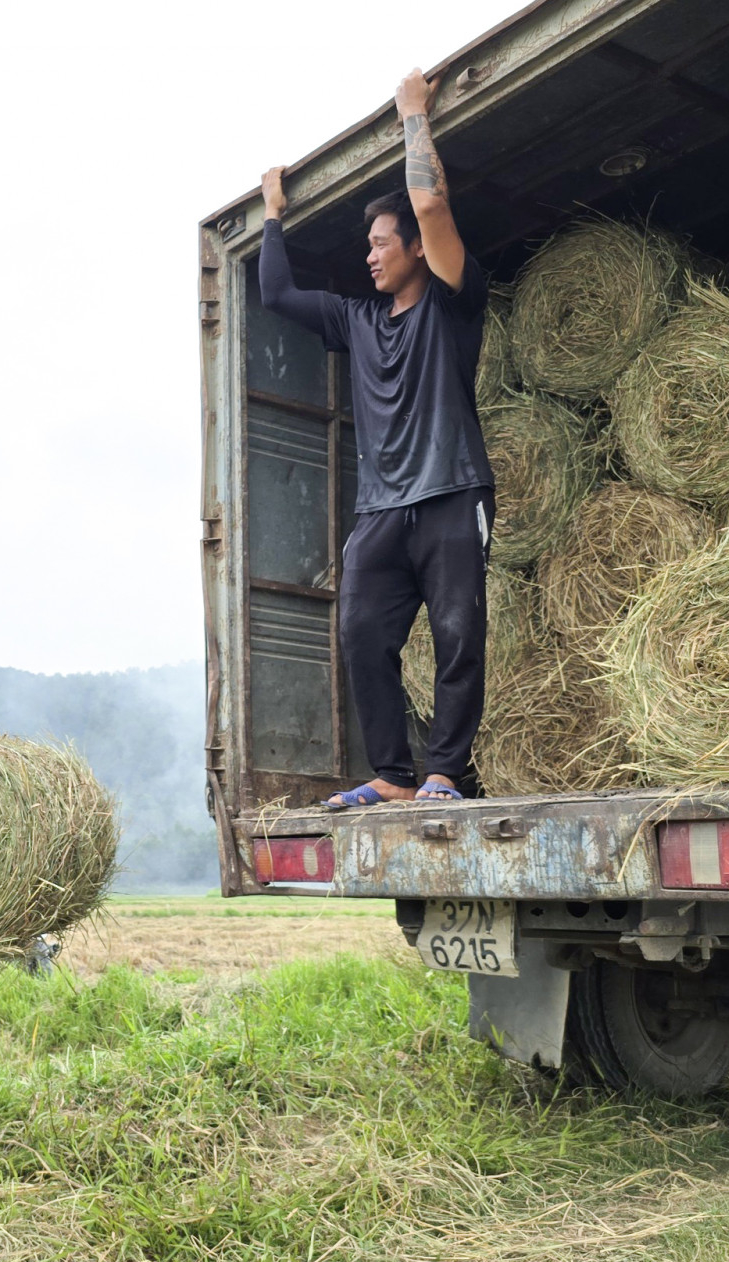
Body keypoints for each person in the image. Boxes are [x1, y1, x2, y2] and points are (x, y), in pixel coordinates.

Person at [259, 68, 495, 808]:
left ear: (416, 249)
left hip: (454, 490)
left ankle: (443, 773)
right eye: (366, 244)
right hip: (382, 508)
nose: (369, 254)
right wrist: (271, 214)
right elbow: (274, 292)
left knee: (458, 636)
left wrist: (415, 116)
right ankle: (393, 774)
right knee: (362, 633)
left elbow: (428, 200)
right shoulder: (356, 320)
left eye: (381, 242)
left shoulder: (455, 301)